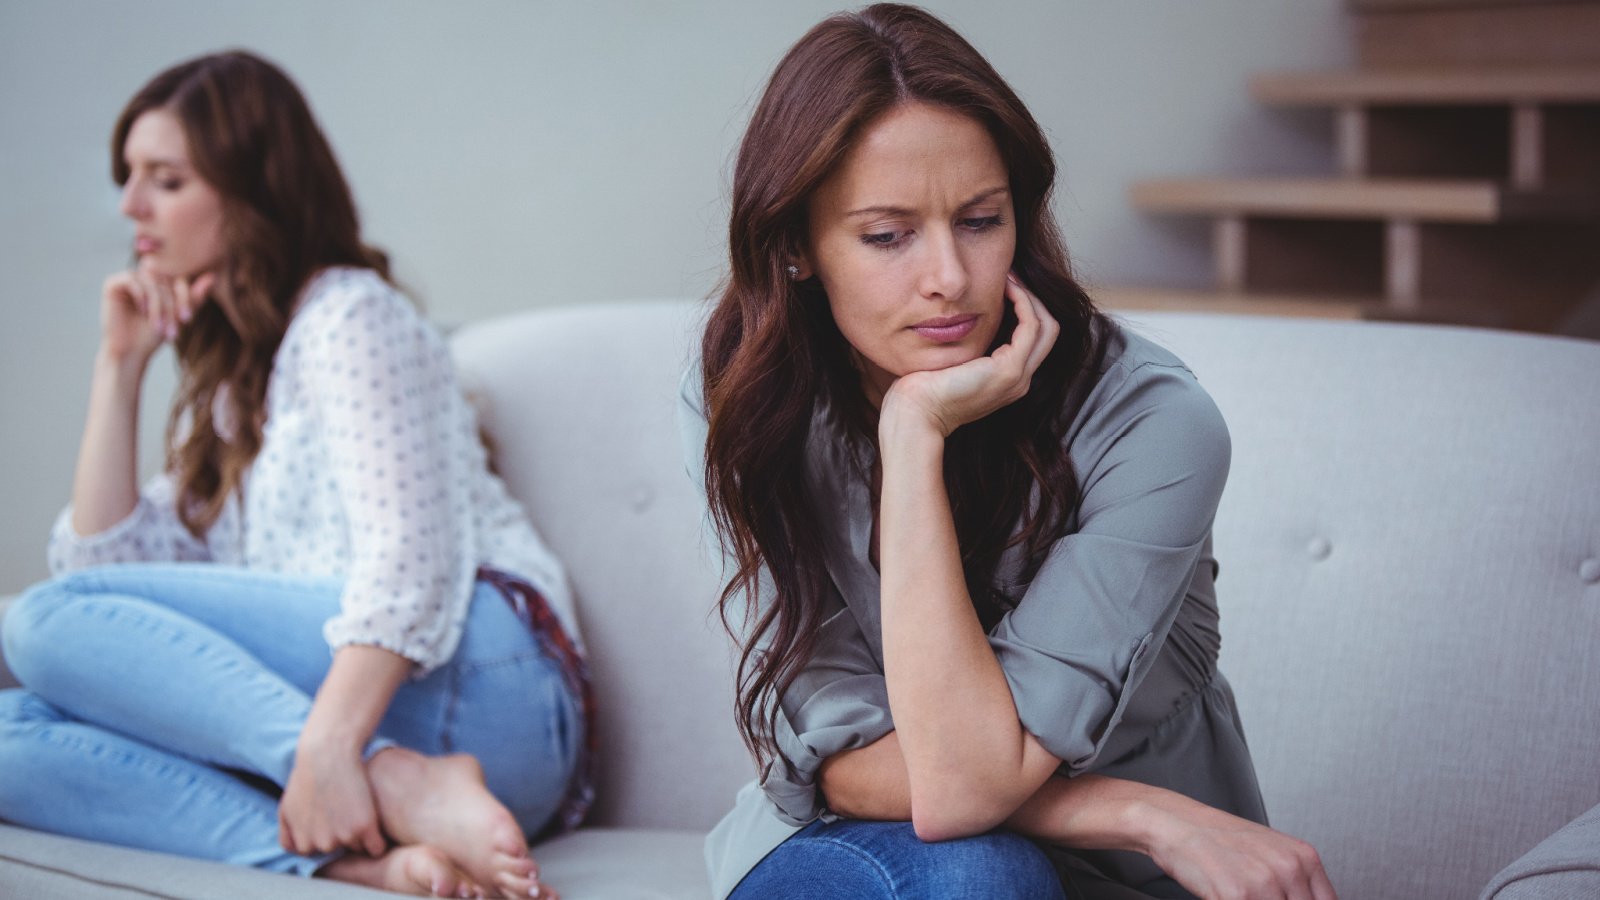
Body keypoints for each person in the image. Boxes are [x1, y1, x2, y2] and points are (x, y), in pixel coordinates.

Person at [681, 5, 1338, 899]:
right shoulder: (746, 397)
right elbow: (845, 763)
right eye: (888, 235)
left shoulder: (1153, 425)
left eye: (981, 221)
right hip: (862, 853)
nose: (949, 276)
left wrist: (910, 432)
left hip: (1131, 884)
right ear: (796, 246)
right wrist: (1138, 810)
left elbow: (958, 780)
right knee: (978, 872)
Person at [0, 51, 588, 900]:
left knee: (41, 622)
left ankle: (391, 780)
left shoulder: (351, 316)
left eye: (164, 179)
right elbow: (106, 582)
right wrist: (118, 368)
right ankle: (360, 861)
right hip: (373, 725)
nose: (129, 206)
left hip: (494, 685)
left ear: (251, 191)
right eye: (128, 177)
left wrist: (329, 750)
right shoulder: (235, 398)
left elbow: (408, 560)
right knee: (13, 739)